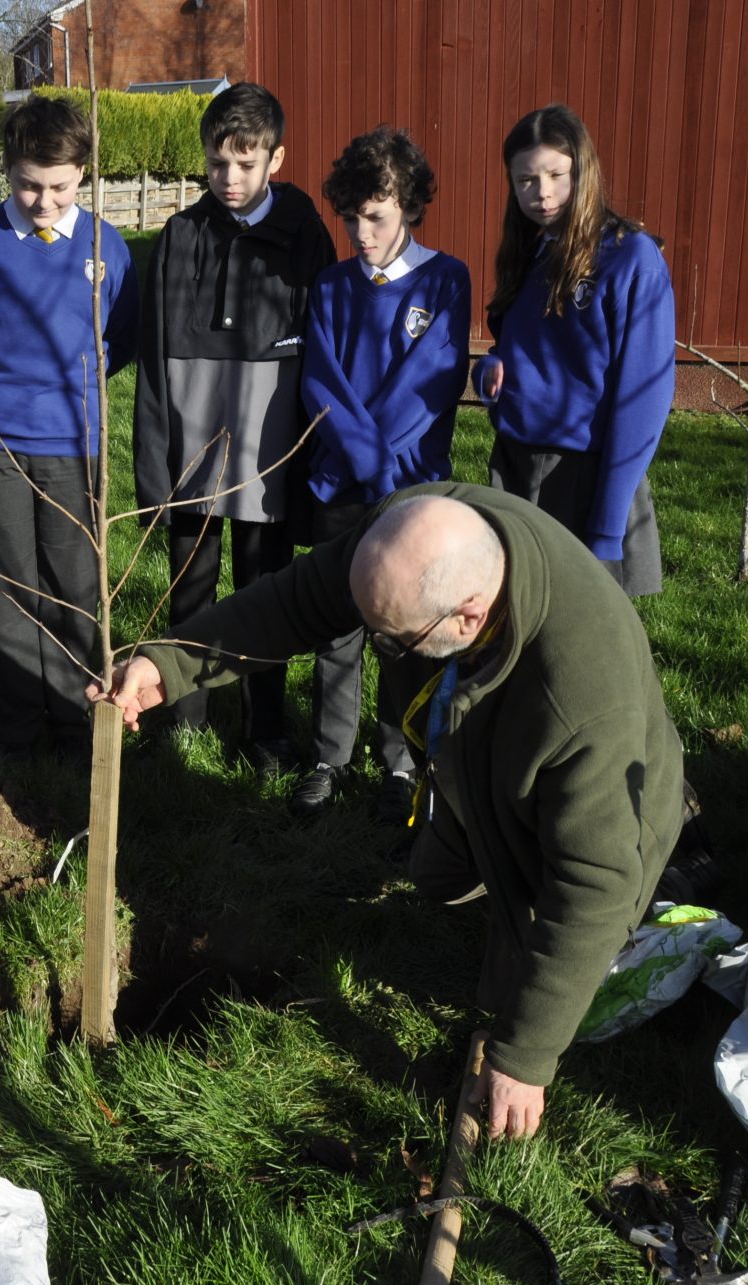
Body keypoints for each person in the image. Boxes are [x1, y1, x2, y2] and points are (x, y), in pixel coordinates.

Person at [91, 486, 684, 1141]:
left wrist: (525, 1057)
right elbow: (297, 602)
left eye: (390, 639)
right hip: (469, 761)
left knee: (527, 953)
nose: (375, 645)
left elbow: (593, 884)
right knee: (437, 876)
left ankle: (556, 948)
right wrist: (169, 664)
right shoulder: (405, 539)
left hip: (594, 817)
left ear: (469, 617)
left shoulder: (584, 700)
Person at [0, 95, 137, 757]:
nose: (44, 201)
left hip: (74, 439)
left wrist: (71, 392)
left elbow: (121, 336)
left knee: (74, 582)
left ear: (83, 175)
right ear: (7, 170)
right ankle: (16, 725)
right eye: (28, 185)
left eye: (60, 187)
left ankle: (73, 716)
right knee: (8, 581)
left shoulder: (106, 247)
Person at [133, 81, 333, 779]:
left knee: (262, 594)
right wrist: (154, 469)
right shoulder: (180, 237)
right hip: (192, 453)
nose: (230, 178)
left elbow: (322, 351)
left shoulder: (305, 235)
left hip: (268, 457)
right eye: (218, 163)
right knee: (190, 589)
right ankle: (184, 717)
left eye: (246, 164)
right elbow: (154, 363)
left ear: (277, 159)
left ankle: (266, 727)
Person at [298, 127, 472, 822]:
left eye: (375, 217)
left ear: (410, 207)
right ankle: (328, 756)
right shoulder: (331, 286)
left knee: (405, 629)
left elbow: (430, 382)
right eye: (350, 218)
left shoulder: (445, 280)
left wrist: (381, 466)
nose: (360, 233)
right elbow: (321, 382)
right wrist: (364, 461)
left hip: (412, 487)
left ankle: (401, 760)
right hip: (340, 485)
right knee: (336, 628)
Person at [477, 105, 675, 597]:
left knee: (583, 635)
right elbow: (523, 342)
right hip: (517, 467)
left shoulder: (630, 258)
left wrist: (608, 525)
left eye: (555, 175)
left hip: (586, 478)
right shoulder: (531, 251)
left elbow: (644, 399)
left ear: (582, 172)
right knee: (517, 621)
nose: (541, 193)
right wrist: (492, 369)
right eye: (525, 180)